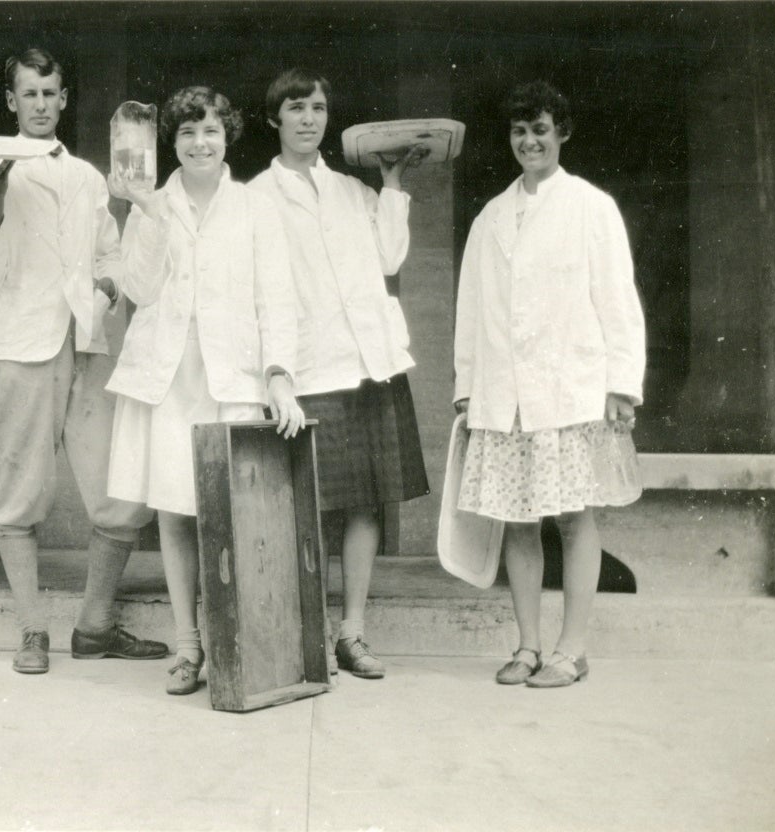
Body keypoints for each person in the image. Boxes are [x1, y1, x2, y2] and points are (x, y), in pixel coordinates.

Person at [0, 48, 167, 674]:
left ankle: (95, 623)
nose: (41, 105)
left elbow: (109, 257)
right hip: (20, 348)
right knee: (21, 496)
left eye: (51, 93)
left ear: (65, 98)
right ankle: (31, 630)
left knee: (122, 497)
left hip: (88, 345)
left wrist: (105, 291)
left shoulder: (87, 178)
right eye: (29, 95)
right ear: (11, 102)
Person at [107, 85, 305, 695]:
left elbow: (277, 298)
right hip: (167, 376)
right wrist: (142, 210)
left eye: (211, 132)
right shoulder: (153, 201)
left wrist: (279, 377)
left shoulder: (254, 207)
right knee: (174, 512)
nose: (200, 143)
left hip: (232, 377)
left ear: (228, 138)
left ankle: (232, 642)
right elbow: (137, 287)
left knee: (233, 514)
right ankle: (188, 646)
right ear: (172, 140)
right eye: (188, 132)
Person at [454, 80, 646, 688]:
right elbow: (471, 309)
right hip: (504, 395)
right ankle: (529, 645)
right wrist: (467, 384)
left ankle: (573, 648)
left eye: (540, 129)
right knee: (516, 520)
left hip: (571, 389)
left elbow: (618, 299)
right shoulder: (491, 216)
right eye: (518, 131)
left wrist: (621, 382)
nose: (529, 141)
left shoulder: (591, 207)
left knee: (572, 516)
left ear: (561, 133)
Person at [249, 68, 432, 680]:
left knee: (366, 507)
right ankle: (310, 633)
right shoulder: (256, 197)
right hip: (306, 371)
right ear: (274, 118)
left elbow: (390, 256)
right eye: (296, 108)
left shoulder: (353, 191)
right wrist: (273, 375)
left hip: (368, 364)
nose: (308, 118)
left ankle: (352, 633)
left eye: (319, 107)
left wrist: (392, 181)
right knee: (310, 508)